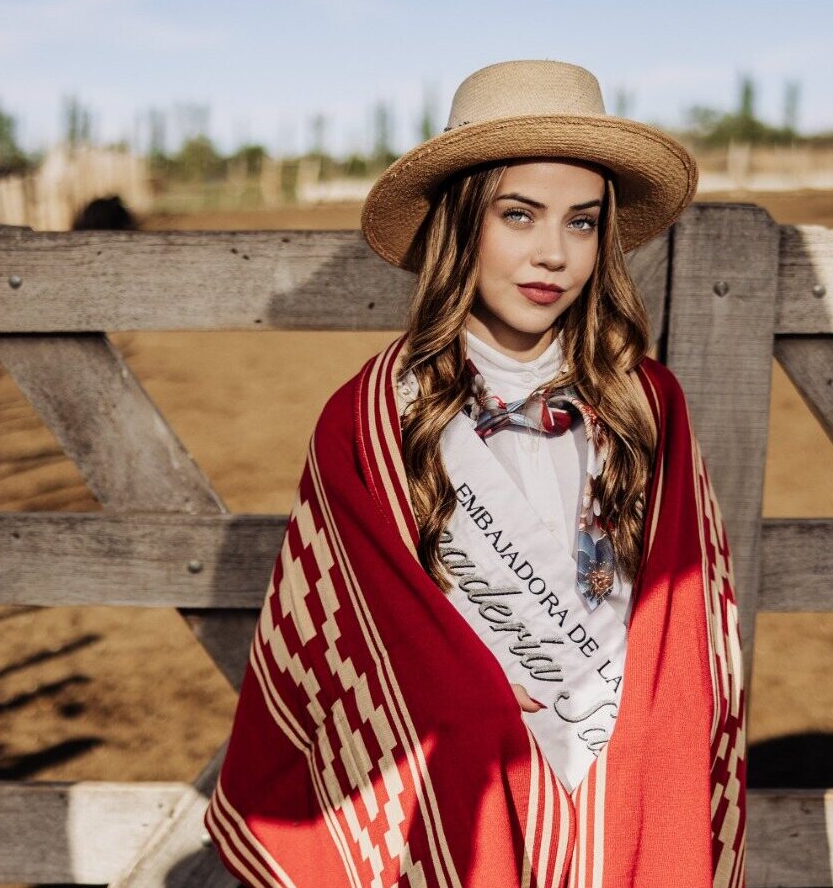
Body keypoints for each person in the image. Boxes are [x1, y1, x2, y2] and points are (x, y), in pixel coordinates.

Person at [207, 59, 747, 888]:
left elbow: (685, 619)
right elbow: (346, 640)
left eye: (581, 223)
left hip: (623, 770)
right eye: (519, 215)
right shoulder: (371, 419)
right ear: (462, 223)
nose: (552, 254)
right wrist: (470, 687)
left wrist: (636, 720)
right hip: (459, 784)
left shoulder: (646, 403)